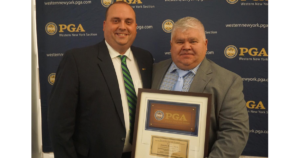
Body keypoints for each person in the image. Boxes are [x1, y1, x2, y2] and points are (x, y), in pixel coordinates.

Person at [48, 2, 153, 158]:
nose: (122, 27)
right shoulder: (77, 60)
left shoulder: (146, 59)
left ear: (135, 27)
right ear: (105, 25)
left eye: (128, 22)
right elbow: (60, 125)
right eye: (116, 20)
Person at [152, 17, 249, 158]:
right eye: (180, 42)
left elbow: (234, 132)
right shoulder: (154, 71)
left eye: (193, 41)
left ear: (205, 44)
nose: (186, 46)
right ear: (171, 45)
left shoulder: (228, 82)